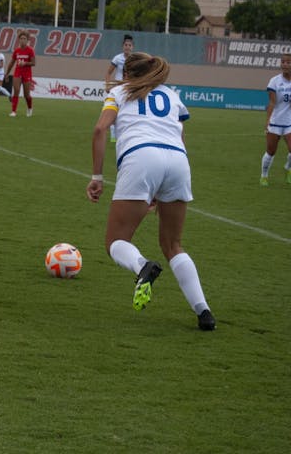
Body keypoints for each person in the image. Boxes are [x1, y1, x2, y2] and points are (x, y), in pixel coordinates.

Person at [86, 52, 216, 331]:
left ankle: (142, 266)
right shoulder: (171, 95)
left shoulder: (120, 92)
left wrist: (97, 176)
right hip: (178, 161)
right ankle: (203, 311)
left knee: (116, 241)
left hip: (141, 158)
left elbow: (100, 129)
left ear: (127, 73)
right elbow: (180, 135)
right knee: (173, 245)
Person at [260, 53, 291, 186]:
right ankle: (264, 175)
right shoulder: (274, 81)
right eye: (283, 62)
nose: (284, 64)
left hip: (289, 122)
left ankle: (288, 169)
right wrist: (267, 121)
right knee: (271, 151)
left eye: (288, 62)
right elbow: (272, 103)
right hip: (275, 122)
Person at [104, 34, 134, 142]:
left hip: (129, 88)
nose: (127, 47)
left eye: (129, 45)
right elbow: (108, 72)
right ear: (123, 46)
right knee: (113, 109)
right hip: (118, 87)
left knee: (126, 109)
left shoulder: (134, 59)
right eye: (126, 45)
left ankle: (125, 133)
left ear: (132, 47)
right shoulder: (117, 58)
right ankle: (113, 136)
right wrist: (108, 84)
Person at [4, 30, 36, 117]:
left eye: (24, 38)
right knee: (16, 91)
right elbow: (11, 63)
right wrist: (7, 73)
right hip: (17, 73)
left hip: (27, 74)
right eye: (21, 38)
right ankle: (13, 111)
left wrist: (25, 63)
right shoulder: (16, 51)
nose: (22, 40)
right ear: (19, 39)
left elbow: (33, 63)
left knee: (26, 95)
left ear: (27, 40)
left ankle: (29, 108)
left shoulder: (30, 50)